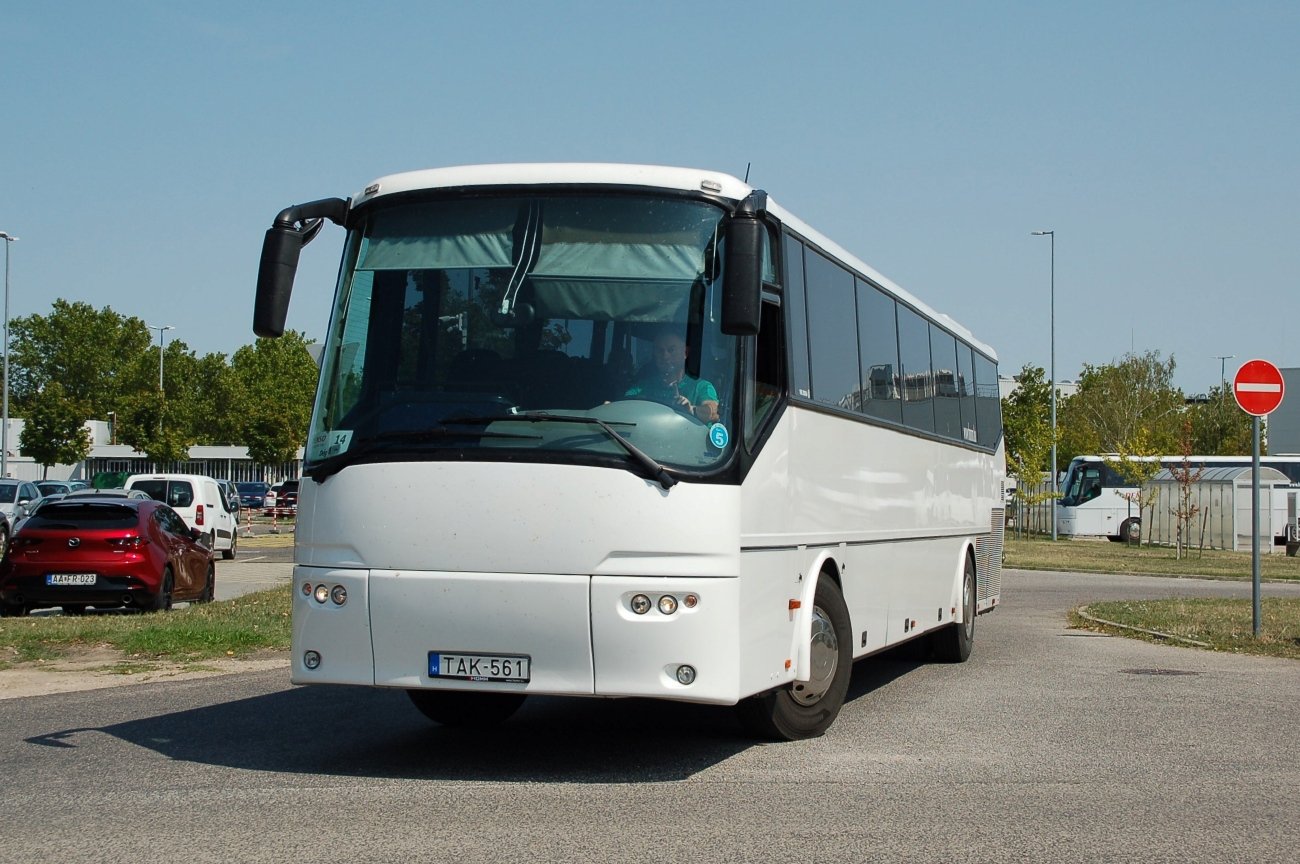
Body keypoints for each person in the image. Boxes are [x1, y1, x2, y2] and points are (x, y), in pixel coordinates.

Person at [624, 329, 720, 423]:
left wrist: (691, 409)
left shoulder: (701, 387)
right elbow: (623, 407)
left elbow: (712, 413)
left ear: (685, 352)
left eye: (671, 350)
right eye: (660, 350)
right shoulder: (642, 387)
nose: (665, 356)